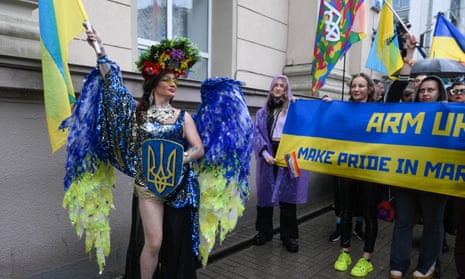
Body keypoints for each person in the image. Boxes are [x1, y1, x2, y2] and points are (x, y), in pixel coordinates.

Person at [85, 28, 205, 279]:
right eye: (167, 79)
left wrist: (178, 159)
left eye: (175, 80)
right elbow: (115, 90)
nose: (173, 84)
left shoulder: (183, 117)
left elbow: (198, 148)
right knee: (154, 242)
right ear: (154, 82)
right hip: (148, 185)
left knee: (175, 243)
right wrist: (99, 49)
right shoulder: (138, 112)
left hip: (178, 185)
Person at [389, 75, 449, 279]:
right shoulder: (407, 111)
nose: (425, 94)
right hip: (407, 177)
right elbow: (391, 98)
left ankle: (428, 265)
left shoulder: (451, 114)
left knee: (433, 223)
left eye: (430, 90)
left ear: (439, 92)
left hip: (435, 179)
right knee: (403, 221)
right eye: (422, 90)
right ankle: (398, 264)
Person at [327, 73, 382, 277]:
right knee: (346, 211)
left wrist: (409, 56)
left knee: (369, 214)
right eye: (353, 86)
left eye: (361, 85)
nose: (356, 89)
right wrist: (326, 106)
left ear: (369, 88)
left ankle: (366, 258)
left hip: (370, 172)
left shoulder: (380, 110)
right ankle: (345, 252)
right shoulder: (343, 109)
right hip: (347, 169)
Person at [252, 74, 309, 253]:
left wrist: (299, 106)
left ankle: (289, 236)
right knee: (265, 193)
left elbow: (305, 126)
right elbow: (256, 134)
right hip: (269, 153)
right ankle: (264, 231)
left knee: (288, 195)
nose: (278, 88)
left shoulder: (293, 109)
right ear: (271, 89)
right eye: (275, 85)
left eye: (282, 86)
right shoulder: (263, 112)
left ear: (286, 89)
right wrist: (264, 152)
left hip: (289, 155)